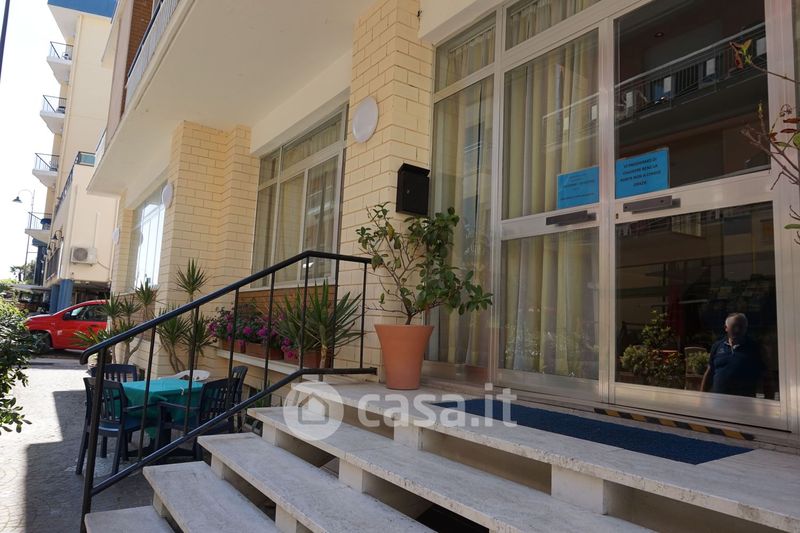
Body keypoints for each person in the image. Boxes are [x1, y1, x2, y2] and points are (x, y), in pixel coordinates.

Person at [701, 313, 765, 397]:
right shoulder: (717, 346)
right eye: (734, 326)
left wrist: (769, 401)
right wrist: (701, 396)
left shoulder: (754, 348)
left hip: (744, 400)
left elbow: (764, 375)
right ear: (726, 328)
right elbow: (710, 371)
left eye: (741, 326)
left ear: (746, 328)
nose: (737, 330)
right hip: (718, 399)